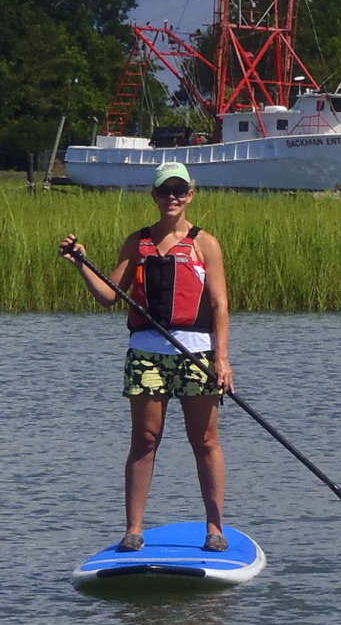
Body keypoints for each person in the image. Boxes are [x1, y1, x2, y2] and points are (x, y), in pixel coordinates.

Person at [60, 162, 233, 551]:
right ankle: (134, 529)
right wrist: (82, 265)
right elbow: (109, 296)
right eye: (164, 191)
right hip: (147, 355)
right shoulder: (136, 243)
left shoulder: (205, 243)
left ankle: (215, 528)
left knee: (204, 440)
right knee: (146, 439)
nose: (172, 197)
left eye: (179, 190)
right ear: (153, 195)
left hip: (197, 354)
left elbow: (220, 306)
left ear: (191, 194)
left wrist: (222, 361)